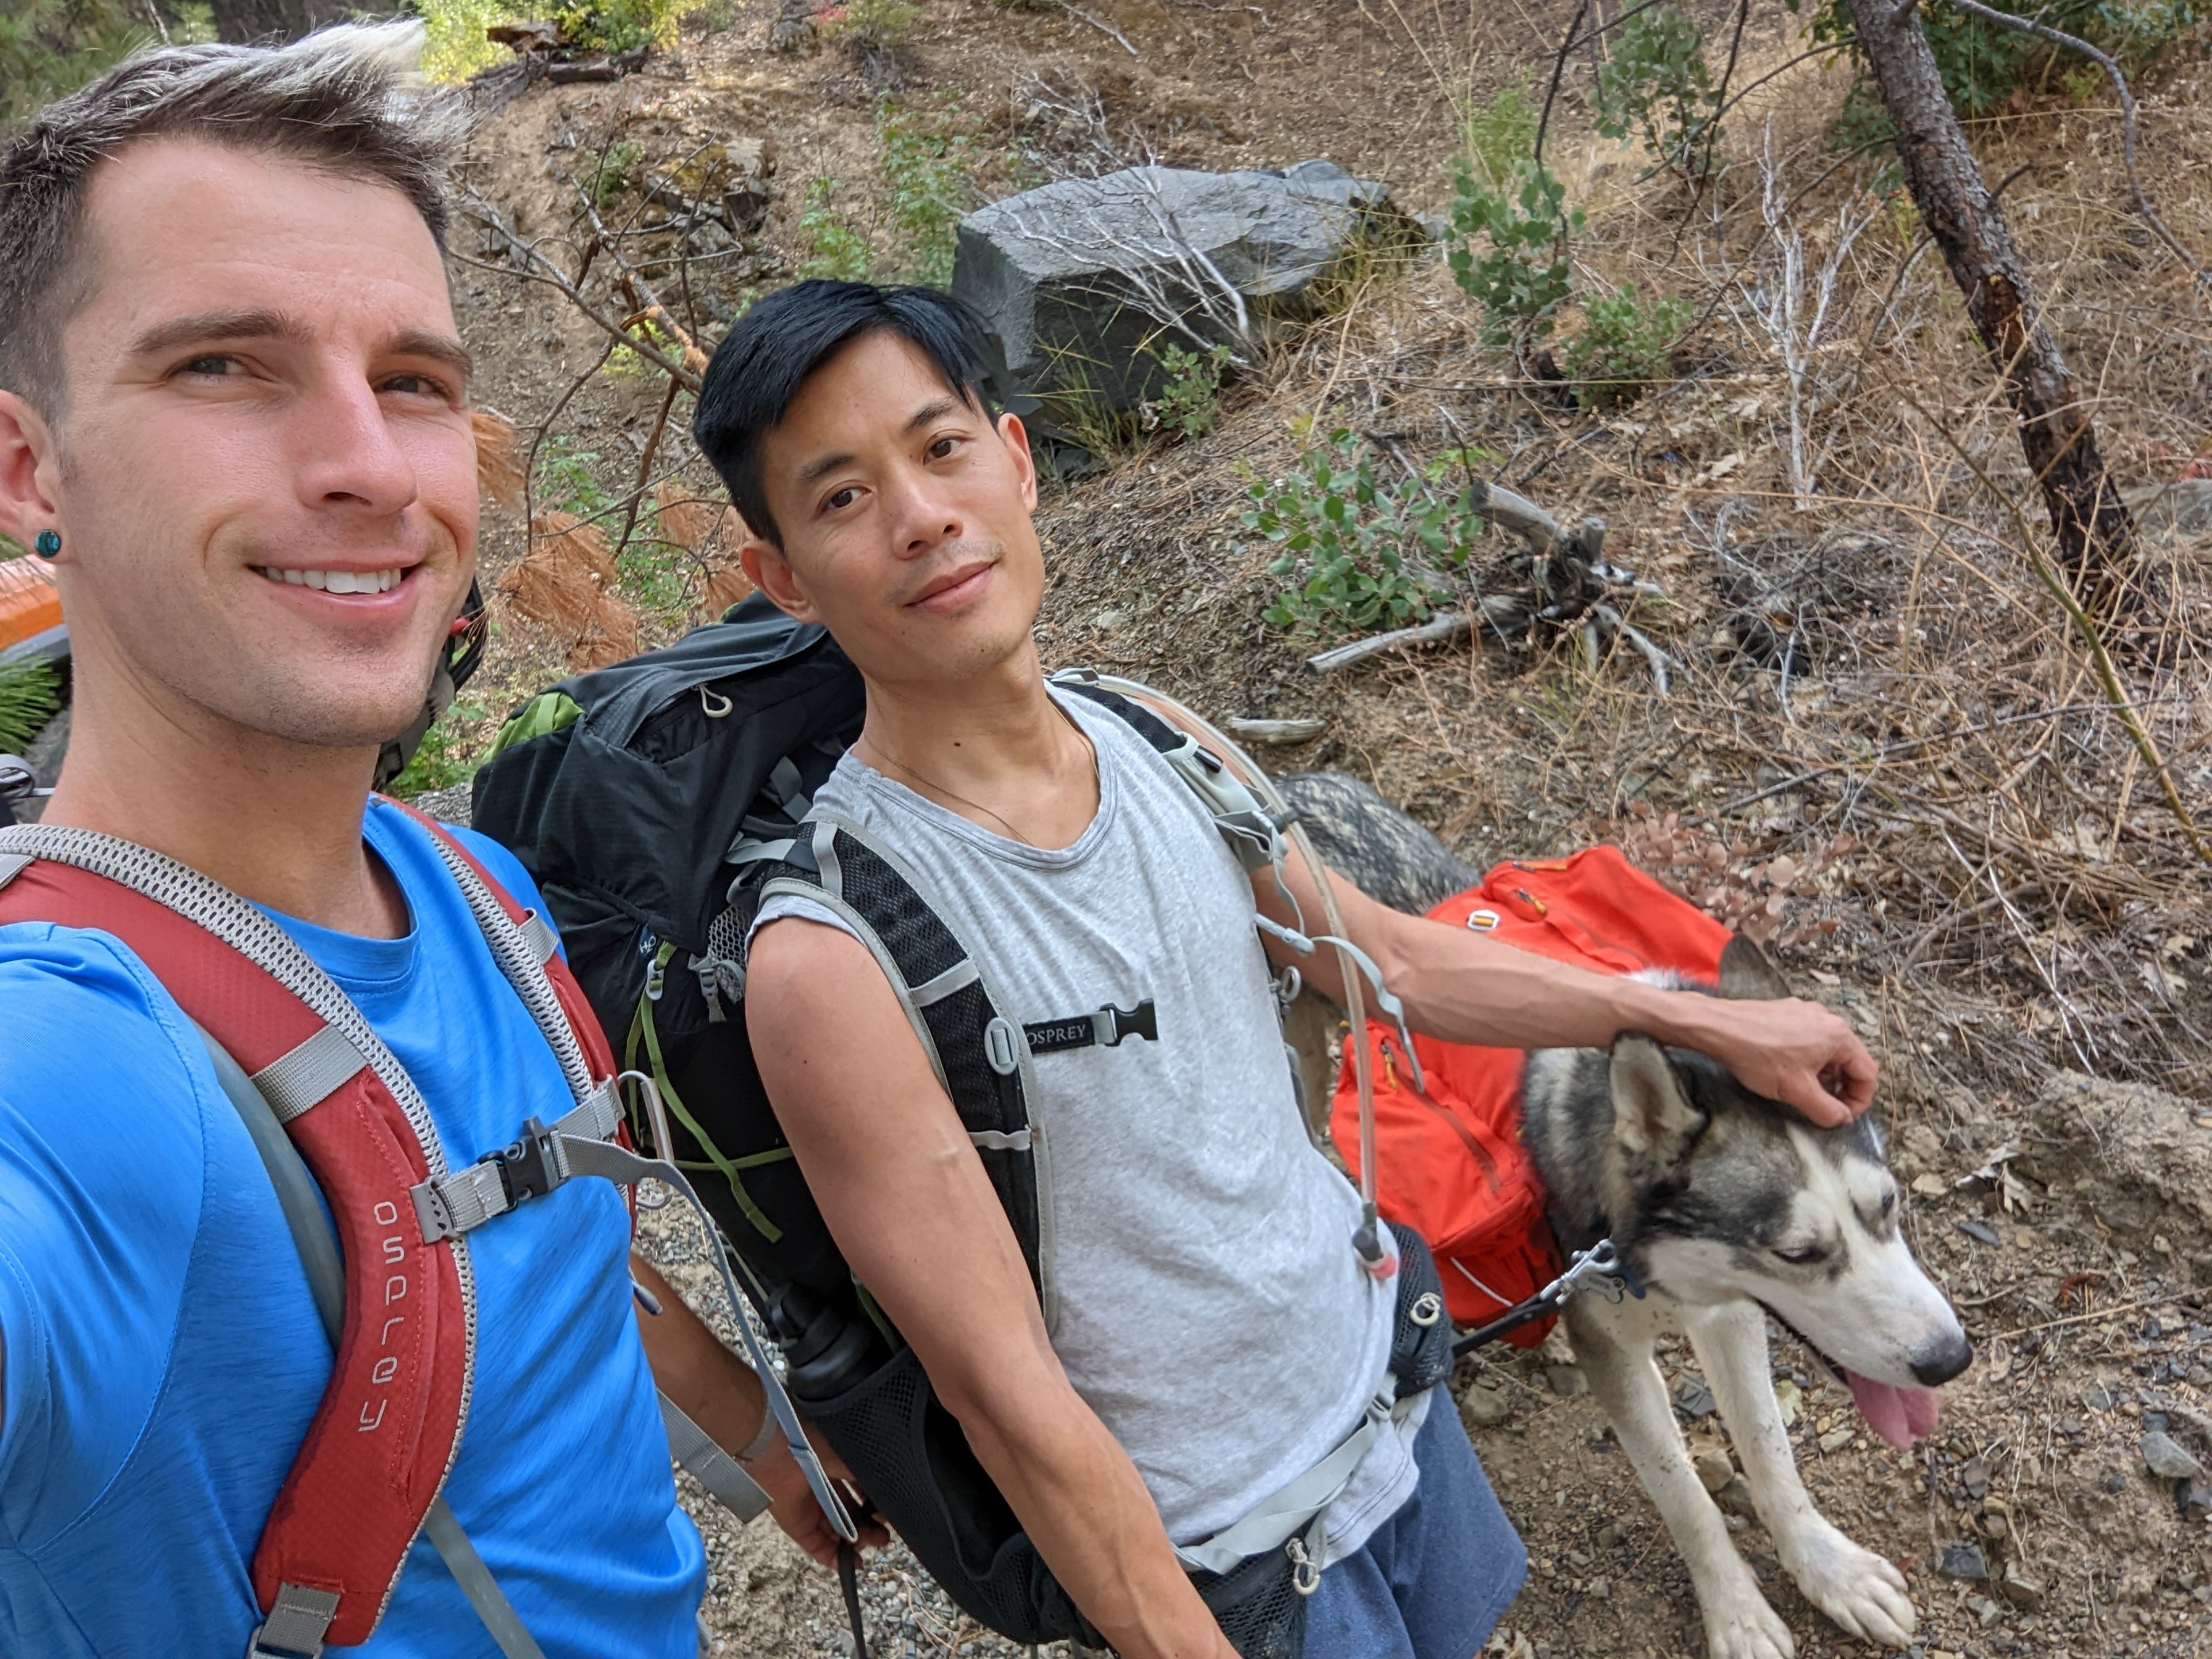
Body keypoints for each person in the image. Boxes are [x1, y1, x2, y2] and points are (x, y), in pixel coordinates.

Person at [697, 280, 1881, 1659]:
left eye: (941, 446)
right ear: (781, 574)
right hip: (1224, 1566)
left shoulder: (1151, 736)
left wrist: (1685, 1022)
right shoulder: (829, 953)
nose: (920, 516)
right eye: (841, 497)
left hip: (1390, 1401)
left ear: (1016, 459)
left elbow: (1380, 960)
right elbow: (1006, 1395)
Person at [0, 28, 862, 1659]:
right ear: (29, 467)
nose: (367, 464)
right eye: (222, 367)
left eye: (413, 381)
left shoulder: (473, 888)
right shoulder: (73, 1065)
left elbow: (532, 1235)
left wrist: (751, 1430)